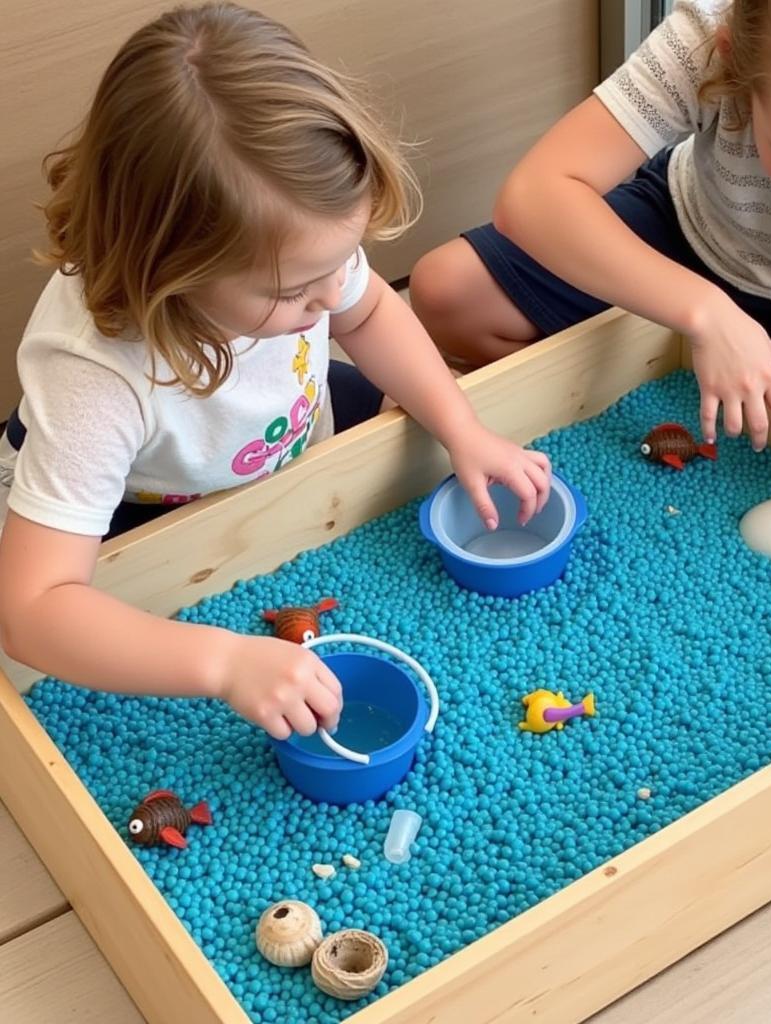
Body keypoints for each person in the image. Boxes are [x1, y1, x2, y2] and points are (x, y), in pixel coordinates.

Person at [0, 2, 551, 741]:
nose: (331, 295)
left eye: (339, 263)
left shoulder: (297, 244)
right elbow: (33, 607)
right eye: (294, 291)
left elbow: (372, 316)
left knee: (400, 420)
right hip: (141, 499)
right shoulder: (96, 376)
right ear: (169, 267)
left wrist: (462, 427)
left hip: (280, 430)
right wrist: (225, 663)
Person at [410, 0, 771, 510]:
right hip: (683, 237)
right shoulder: (706, 41)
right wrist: (705, 313)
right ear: (734, 62)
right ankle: (677, 360)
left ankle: (691, 374)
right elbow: (533, 196)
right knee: (445, 291)